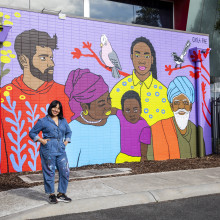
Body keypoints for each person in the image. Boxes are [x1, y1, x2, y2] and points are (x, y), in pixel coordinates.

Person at [1, 29, 73, 173]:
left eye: (51, 57)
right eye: (43, 58)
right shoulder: (5, 95)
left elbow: (68, 129)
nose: (51, 63)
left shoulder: (64, 93)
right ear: (24, 60)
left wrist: (65, 142)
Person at [110, 36, 173, 127]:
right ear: (131, 57)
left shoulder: (163, 92)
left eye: (147, 56)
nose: (142, 61)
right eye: (137, 55)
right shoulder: (119, 89)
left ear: (152, 59)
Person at [64, 68, 121, 167]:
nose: (108, 106)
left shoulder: (114, 121)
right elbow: (68, 166)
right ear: (85, 107)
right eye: (101, 103)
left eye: (109, 100)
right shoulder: (73, 130)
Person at [151, 76, 206, 160]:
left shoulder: (197, 130)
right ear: (171, 106)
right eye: (176, 102)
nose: (181, 107)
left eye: (185, 102)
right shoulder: (157, 129)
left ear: (190, 106)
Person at [29, 100, 72, 204]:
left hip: (61, 150)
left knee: (65, 171)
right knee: (49, 172)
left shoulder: (63, 121)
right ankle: (51, 195)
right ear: (50, 108)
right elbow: (32, 133)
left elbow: (69, 131)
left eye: (58, 108)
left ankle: (61, 194)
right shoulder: (43, 121)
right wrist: (41, 140)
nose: (56, 110)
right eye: (54, 107)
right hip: (48, 150)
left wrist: (66, 141)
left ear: (60, 110)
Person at [113, 90, 151, 163]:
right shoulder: (121, 115)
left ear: (141, 109)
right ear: (123, 112)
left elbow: (144, 152)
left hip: (136, 159)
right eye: (127, 110)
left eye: (135, 109)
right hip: (121, 157)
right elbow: (113, 110)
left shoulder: (144, 127)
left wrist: (143, 159)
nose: (132, 114)